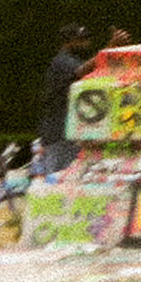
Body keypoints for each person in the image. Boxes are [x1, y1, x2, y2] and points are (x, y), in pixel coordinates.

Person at [34, 25, 97, 176]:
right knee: (58, 178)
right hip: (59, 133)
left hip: (67, 132)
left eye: (87, 39)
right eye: (81, 40)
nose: (87, 43)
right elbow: (81, 71)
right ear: (68, 42)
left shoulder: (71, 60)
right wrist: (107, 51)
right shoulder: (62, 61)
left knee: (66, 178)